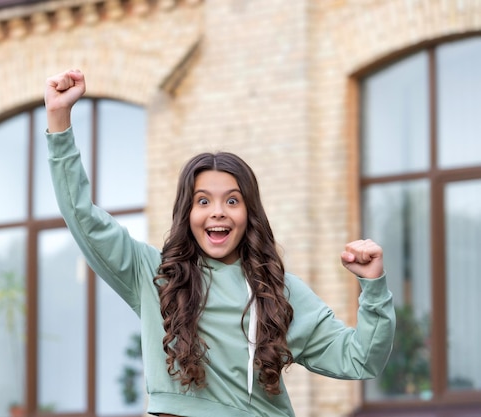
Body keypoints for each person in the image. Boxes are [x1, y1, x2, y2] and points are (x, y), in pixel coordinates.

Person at [44, 69, 396, 417]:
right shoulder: (152, 275)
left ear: (249, 213)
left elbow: (361, 358)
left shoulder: (278, 292)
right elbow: (83, 217)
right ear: (187, 213)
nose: (217, 213)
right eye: (202, 201)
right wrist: (59, 121)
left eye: (232, 201)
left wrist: (374, 287)